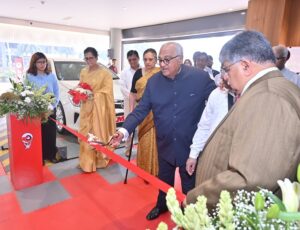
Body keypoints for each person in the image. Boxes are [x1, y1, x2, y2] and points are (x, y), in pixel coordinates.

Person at [185, 31, 300, 209]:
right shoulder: (273, 88)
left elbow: (251, 179)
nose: (224, 76)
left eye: (226, 68)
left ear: (245, 66)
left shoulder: (268, 97)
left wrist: (196, 199)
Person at [110, 42, 215, 220]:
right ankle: (162, 205)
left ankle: (190, 213)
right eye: (161, 60)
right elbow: (141, 110)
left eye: (167, 60)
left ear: (180, 60)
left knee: (189, 185)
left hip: (190, 147)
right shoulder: (154, 82)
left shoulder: (200, 78)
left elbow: (216, 102)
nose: (163, 64)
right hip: (164, 143)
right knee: (163, 180)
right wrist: (123, 131)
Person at [186, 75, 235, 175]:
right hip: (215, 154)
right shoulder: (217, 93)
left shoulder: (252, 95)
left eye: (229, 69)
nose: (225, 75)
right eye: (223, 70)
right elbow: (205, 126)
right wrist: (193, 155)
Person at [79, 47, 116, 172]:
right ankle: (87, 163)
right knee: (85, 133)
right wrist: (79, 92)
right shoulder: (83, 71)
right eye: (86, 58)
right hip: (86, 108)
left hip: (98, 109)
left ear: (97, 57)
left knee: (96, 134)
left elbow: (107, 91)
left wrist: (93, 94)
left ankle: (99, 160)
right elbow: (81, 85)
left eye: (91, 58)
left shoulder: (105, 73)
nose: (89, 60)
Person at [130, 48, 160, 176]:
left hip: (157, 112)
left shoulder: (160, 72)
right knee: (144, 139)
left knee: (158, 141)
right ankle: (144, 168)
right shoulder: (138, 73)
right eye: (145, 59)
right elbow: (133, 93)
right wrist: (132, 112)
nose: (148, 62)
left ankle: (156, 169)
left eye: (151, 59)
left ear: (156, 59)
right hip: (143, 112)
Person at [26, 52, 60, 163]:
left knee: (50, 133)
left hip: (50, 109)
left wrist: (53, 104)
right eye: (39, 62)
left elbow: (56, 91)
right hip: (36, 110)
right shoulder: (29, 76)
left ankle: (51, 155)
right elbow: (27, 91)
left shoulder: (51, 75)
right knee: (38, 134)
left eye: (44, 62)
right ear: (34, 63)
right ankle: (39, 157)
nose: (42, 64)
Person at [119, 50, 140, 156]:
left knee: (143, 126)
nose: (132, 61)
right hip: (129, 101)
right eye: (130, 60)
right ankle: (128, 148)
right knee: (129, 125)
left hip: (144, 102)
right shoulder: (124, 72)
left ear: (138, 58)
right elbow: (122, 88)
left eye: (134, 59)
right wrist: (133, 97)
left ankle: (142, 148)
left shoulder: (144, 70)